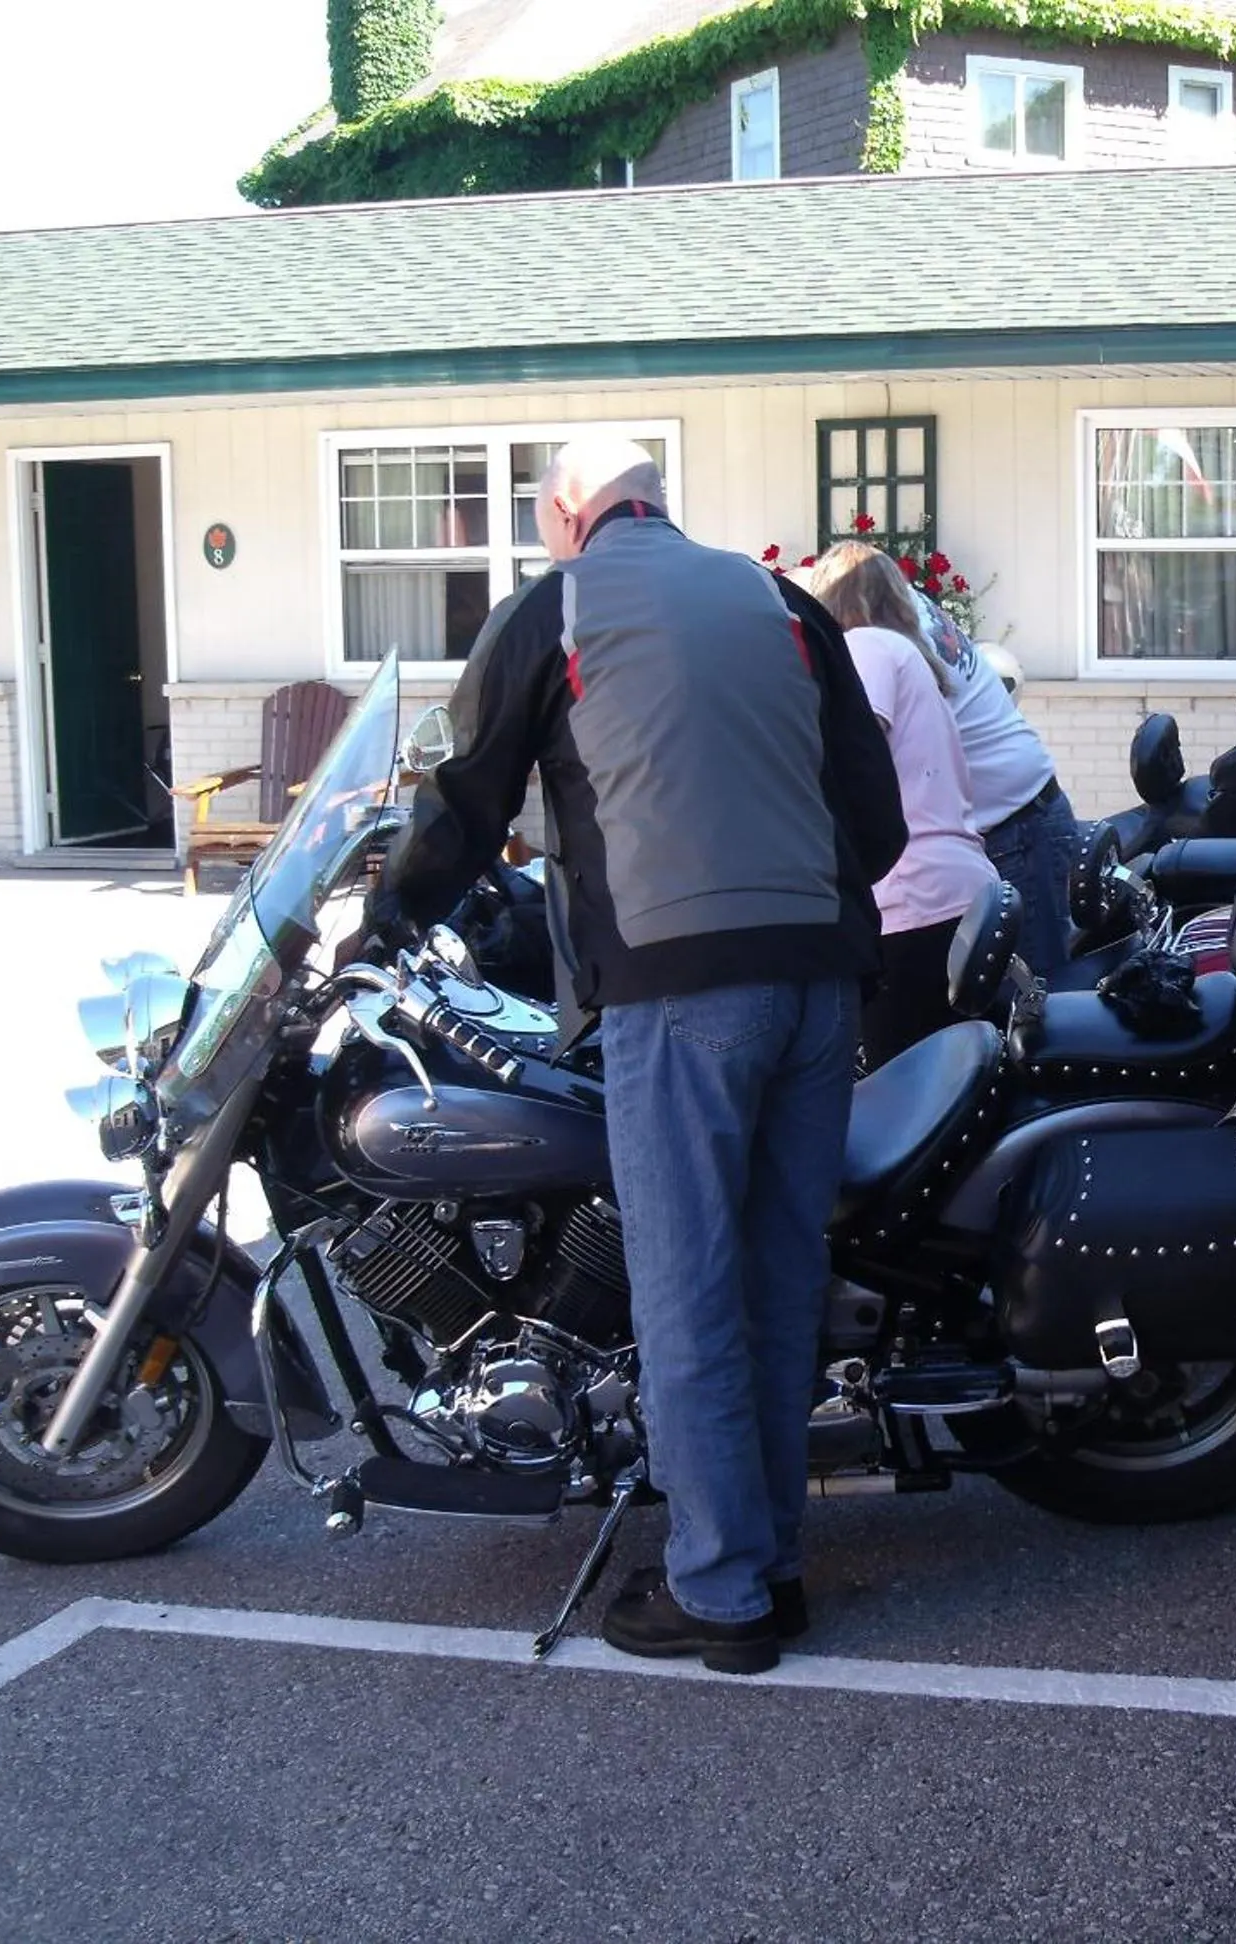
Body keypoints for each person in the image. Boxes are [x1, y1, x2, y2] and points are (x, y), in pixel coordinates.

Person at [371, 437, 905, 1675]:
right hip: (823, 985)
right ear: (659, 505)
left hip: (681, 993)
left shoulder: (555, 609)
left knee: (688, 1290)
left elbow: (465, 800)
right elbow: (873, 817)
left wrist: (395, 908)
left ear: (570, 511)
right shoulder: (779, 602)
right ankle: (771, 1567)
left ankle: (718, 1595)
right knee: (779, 1280)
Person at [804, 544, 1000, 1064]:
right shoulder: (909, 656)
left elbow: (853, 757)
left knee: (904, 1096)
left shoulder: (866, 647)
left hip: (910, 899)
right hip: (957, 891)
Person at [906, 590, 1081, 972]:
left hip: (1015, 831)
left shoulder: (882, 642)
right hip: (1026, 812)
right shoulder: (907, 605)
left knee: (1034, 998)